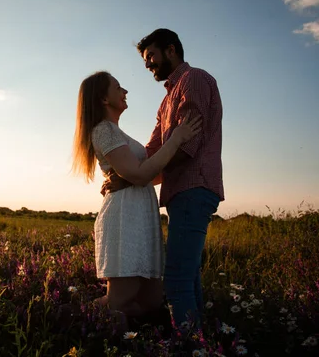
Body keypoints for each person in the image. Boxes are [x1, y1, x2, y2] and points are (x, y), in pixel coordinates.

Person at [71, 71, 202, 319]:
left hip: (140, 215)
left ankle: (108, 327)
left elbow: (143, 174)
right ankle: (74, 321)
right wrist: (175, 140)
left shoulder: (117, 132)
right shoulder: (103, 131)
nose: (125, 91)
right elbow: (141, 175)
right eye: (118, 87)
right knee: (122, 296)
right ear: (103, 99)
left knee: (151, 300)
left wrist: (136, 174)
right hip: (124, 217)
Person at [135, 28, 225, 329]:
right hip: (181, 192)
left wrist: (140, 176)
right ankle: (205, 342)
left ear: (171, 50)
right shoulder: (166, 101)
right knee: (188, 278)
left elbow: (188, 145)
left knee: (175, 282)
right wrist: (124, 174)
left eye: (151, 57)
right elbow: (154, 148)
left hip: (194, 187)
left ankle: (190, 345)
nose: (148, 65)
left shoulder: (194, 79)